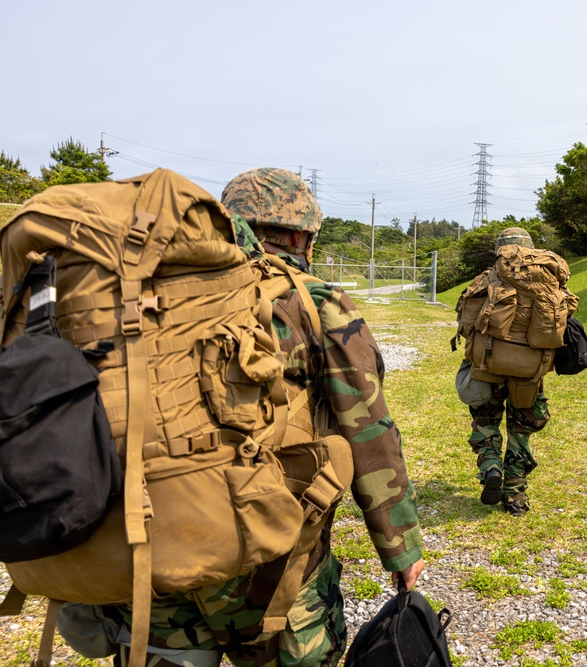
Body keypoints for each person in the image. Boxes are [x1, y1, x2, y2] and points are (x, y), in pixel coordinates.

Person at [60, 168, 425, 667]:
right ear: (300, 235)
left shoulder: (140, 295)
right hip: (270, 557)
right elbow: (369, 431)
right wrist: (400, 549)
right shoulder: (315, 300)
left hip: (151, 538)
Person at [461, 227, 568, 517]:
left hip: (488, 367)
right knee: (520, 432)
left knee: (486, 423)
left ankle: (491, 466)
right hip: (529, 372)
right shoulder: (551, 280)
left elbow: (466, 323)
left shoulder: (487, 279)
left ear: (500, 249)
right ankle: (515, 496)